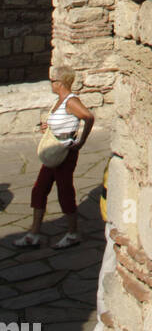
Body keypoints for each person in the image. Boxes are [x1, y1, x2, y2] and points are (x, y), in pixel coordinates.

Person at [13, 67, 95, 249]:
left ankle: (73, 233)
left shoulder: (71, 101)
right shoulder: (59, 101)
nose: (51, 83)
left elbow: (88, 117)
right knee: (39, 189)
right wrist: (48, 128)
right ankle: (34, 233)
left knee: (64, 191)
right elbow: (62, 122)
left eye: (53, 81)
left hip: (65, 153)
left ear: (60, 83)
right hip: (53, 152)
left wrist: (81, 141)